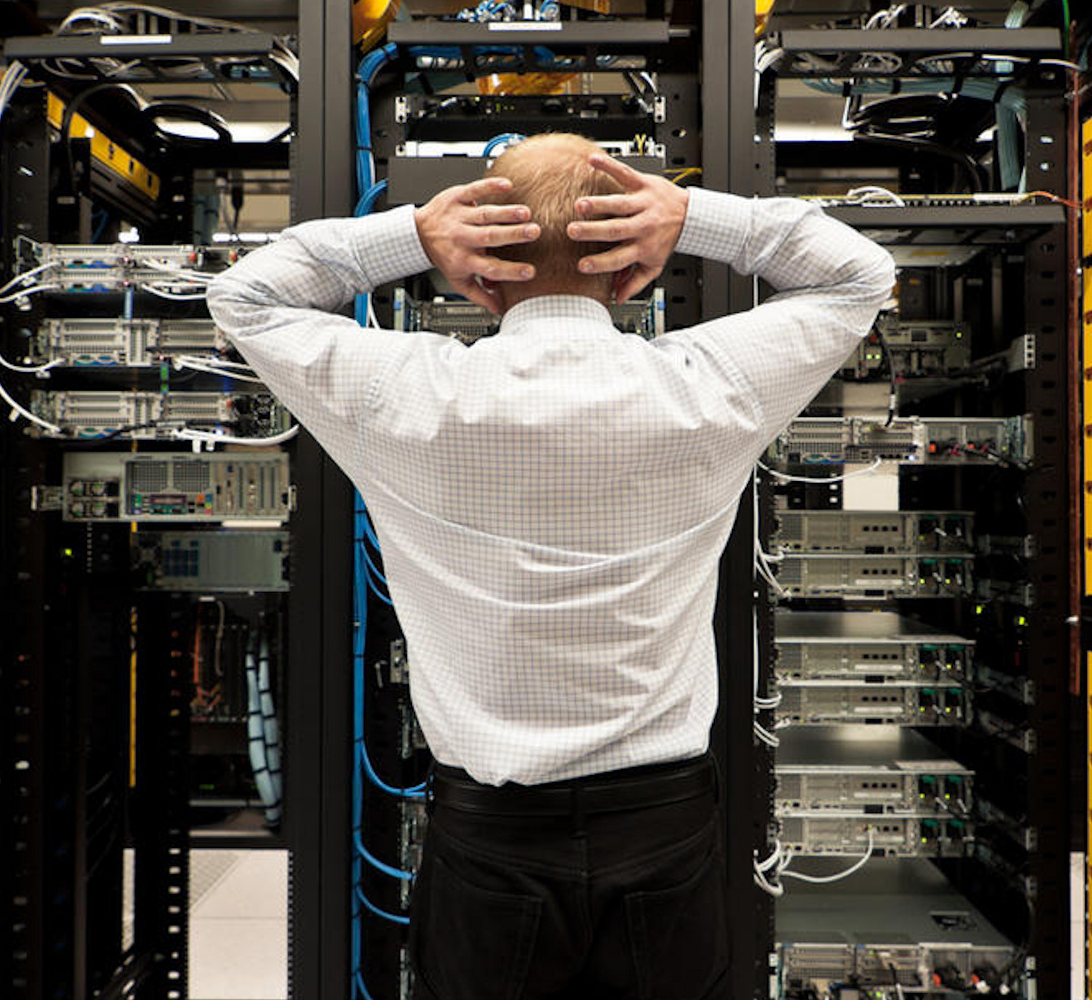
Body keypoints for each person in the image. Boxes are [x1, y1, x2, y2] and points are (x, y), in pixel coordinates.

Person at [208, 132, 895, 1000]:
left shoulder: (406, 394)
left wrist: (412, 236)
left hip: (491, 833)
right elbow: (859, 273)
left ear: (481, 271)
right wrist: (692, 216)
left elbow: (246, 296)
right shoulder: (709, 386)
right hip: (666, 829)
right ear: (630, 274)